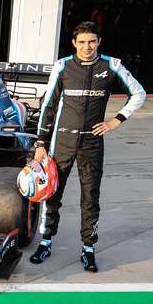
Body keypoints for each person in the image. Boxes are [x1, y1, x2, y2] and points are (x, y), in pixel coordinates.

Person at [31, 21, 146, 272]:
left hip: (92, 143)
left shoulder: (111, 65)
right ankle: (45, 242)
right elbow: (48, 106)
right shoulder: (62, 66)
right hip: (62, 141)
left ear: (99, 42)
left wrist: (116, 120)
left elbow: (139, 93)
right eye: (82, 42)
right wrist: (40, 143)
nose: (87, 47)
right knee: (52, 194)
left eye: (92, 41)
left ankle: (88, 248)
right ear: (74, 43)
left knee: (90, 198)